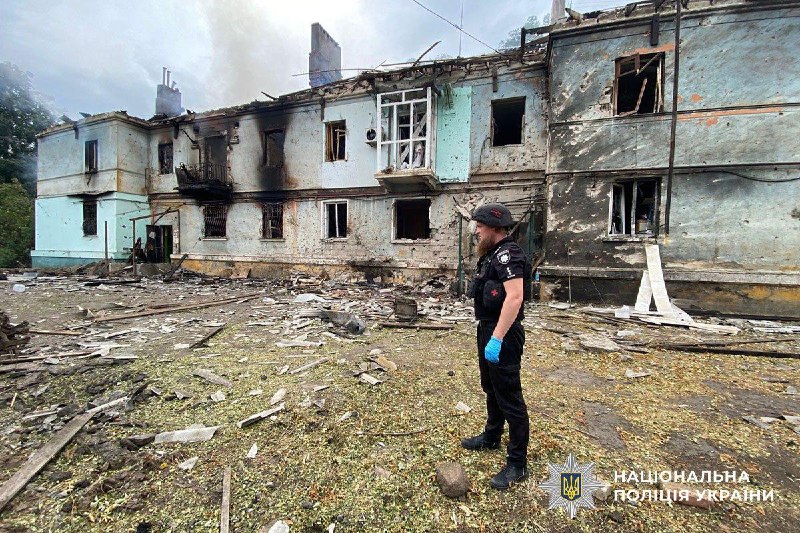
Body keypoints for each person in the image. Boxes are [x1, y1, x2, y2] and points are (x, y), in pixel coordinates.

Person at [462, 202, 530, 490]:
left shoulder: (508, 254)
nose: (477, 231)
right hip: (488, 328)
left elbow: (515, 298)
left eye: (480, 226)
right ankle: (492, 436)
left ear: (494, 227)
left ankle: (517, 463)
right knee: (491, 387)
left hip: (503, 333)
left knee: (509, 396)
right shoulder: (492, 254)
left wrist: (497, 338)